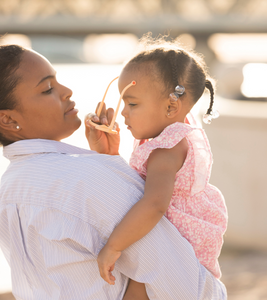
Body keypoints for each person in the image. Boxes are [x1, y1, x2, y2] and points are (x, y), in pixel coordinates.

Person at [0, 44, 227, 299]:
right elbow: (186, 287)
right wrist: (106, 168)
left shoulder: (8, 190)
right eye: (47, 89)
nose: (67, 91)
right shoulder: (85, 179)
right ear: (7, 120)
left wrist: (108, 160)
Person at [94, 36, 228, 299]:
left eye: (132, 104)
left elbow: (155, 203)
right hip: (178, 243)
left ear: (171, 106)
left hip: (178, 245)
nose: (123, 113)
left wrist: (113, 245)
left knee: (137, 289)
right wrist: (107, 152)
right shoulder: (170, 134)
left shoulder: (166, 149)